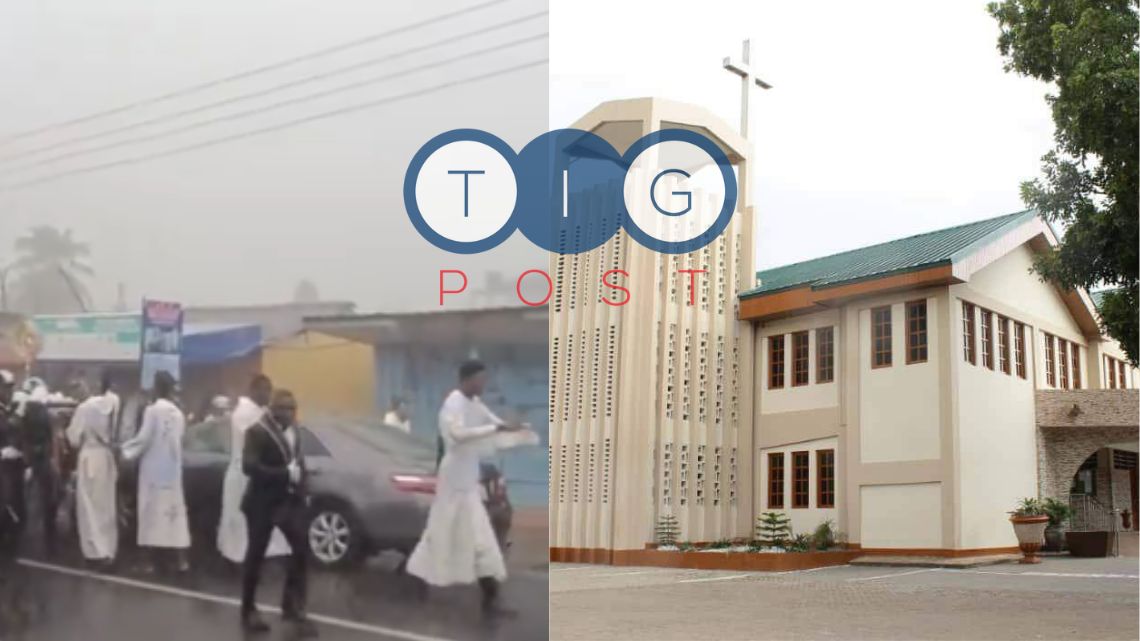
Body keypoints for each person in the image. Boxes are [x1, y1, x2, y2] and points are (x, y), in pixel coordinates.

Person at [406, 360, 537, 618]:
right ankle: (416, 581)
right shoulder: (452, 403)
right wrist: (495, 428)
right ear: (466, 380)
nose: (483, 384)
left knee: (480, 541)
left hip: (468, 482)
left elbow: (495, 425)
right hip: (452, 481)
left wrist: (517, 430)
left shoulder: (476, 404)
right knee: (439, 535)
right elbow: (457, 435)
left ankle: (491, 599)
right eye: (479, 379)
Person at [240, 389, 315, 637]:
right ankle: (249, 609)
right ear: (273, 410)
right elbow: (249, 466)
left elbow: (299, 463)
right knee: (256, 555)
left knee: (301, 549)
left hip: (288, 502)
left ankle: (292, 606)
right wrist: (283, 474)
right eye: (284, 408)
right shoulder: (257, 431)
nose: (290, 413)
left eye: (292, 408)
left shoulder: (296, 431)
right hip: (261, 501)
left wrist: (304, 490)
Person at [120, 371, 190, 573]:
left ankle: (147, 562)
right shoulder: (178, 414)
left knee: (150, 513)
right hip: (172, 471)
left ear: (157, 387)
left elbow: (143, 439)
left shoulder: (152, 411)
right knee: (174, 515)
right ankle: (181, 561)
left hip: (153, 470)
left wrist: (124, 452)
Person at [217, 375, 290, 565]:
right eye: (265, 390)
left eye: (270, 390)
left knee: (257, 521)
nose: (268, 395)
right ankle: (237, 559)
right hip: (243, 474)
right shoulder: (245, 414)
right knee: (239, 520)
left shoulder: (259, 412)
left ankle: (252, 556)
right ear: (254, 391)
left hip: (256, 475)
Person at [65, 373, 120, 567]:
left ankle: (94, 552)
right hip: (106, 456)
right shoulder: (114, 403)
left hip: (89, 455)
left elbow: (73, 437)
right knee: (106, 505)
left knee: (88, 507)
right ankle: (109, 549)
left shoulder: (84, 408)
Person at [19, 379, 59, 556]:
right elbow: (52, 439)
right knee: (46, 502)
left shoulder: (27, 413)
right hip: (43, 461)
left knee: (35, 502)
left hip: (34, 462)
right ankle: (47, 542)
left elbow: (25, 437)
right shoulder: (45, 415)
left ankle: (34, 540)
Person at [0, 371, 25, 561]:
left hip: (13, 468)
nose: (8, 392)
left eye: (10, 388)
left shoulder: (11, 412)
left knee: (15, 507)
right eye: (5, 388)